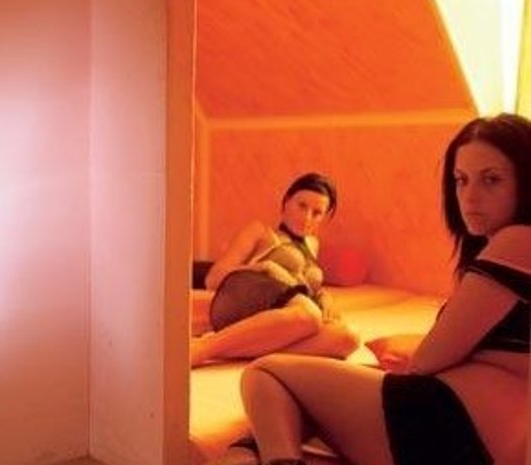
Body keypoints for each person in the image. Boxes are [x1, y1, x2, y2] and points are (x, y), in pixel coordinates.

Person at [228, 113, 530, 465]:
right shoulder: (512, 248)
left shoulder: (517, 241)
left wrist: (411, 359)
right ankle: (248, 452)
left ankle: (254, 453)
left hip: (448, 424)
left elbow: (427, 361)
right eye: (461, 180)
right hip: (477, 433)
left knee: (265, 373)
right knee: (298, 407)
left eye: (491, 180)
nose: (470, 197)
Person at [191, 172, 360, 367]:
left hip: (290, 317)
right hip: (257, 304)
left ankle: (236, 348)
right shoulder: (261, 231)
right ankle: (202, 349)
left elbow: (302, 284)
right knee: (308, 315)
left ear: (325, 217)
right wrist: (264, 268)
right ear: (286, 202)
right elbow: (213, 278)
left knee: (347, 338)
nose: (307, 217)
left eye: (317, 213)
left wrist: (322, 295)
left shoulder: (313, 244)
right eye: (302, 206)